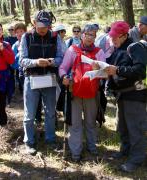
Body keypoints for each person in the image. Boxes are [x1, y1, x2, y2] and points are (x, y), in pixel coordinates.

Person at [59, 24, 106, 162]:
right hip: (75, 92)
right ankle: (75, 152)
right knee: (75, 123)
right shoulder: (72, 50)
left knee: (91, 122)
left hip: (92, 92)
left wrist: (99, 69)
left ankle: (92, 148)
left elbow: (105, 73)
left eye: (93, 35)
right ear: (82, 35)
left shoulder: (99, 52)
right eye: (88, 34)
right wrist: (64, 78)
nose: (90, 37)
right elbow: (63, 67)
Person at [19, 10, 63, 155]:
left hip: (49, 78)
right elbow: (22, 61)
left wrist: (52, 62)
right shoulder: (26, 37)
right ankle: (29, 142)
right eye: (40, 26)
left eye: (46, 26)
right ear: (34, 23)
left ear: (50, 25)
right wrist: (36, 62)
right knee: (29, 114)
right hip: (31, 79)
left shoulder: (56, 37)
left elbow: (61, 58)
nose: (43, 29)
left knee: (50, 112)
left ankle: (50, 139)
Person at [105, 21, 147, 172]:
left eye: (115, 37)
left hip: (134, 94)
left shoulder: (135, 47)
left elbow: (140, 70)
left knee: (135, 128)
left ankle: (137, 160)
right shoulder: (117, 49)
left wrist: (117, 70)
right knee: (122, 126)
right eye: (111, 37)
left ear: (124, 35)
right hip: (121, 94)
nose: (112, 39)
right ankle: (125, 151)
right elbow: (111, 66)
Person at [12, 22, 27, 94]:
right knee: (25, 90)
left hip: (32, 70)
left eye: (21, 31)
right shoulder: (15, 45)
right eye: (17, 32)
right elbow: (12, 62)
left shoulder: (30, 42)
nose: (19, 34)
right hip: (21, 71)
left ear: (25, 32)